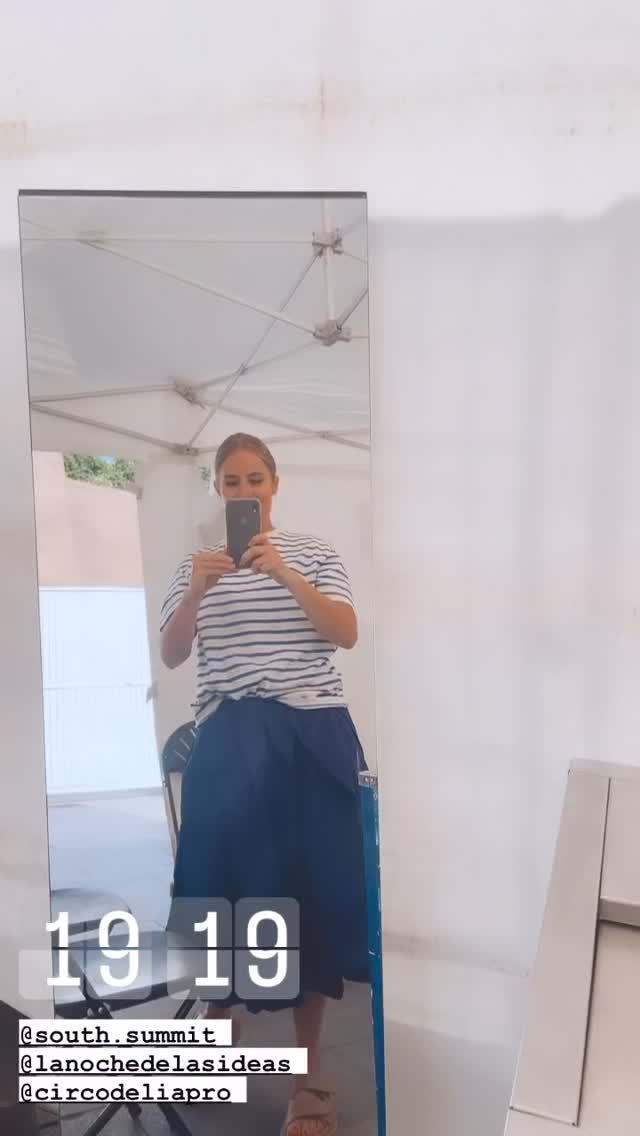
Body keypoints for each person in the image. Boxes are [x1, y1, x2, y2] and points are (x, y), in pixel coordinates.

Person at [160, 433, 370, 1136]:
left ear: (274, 484)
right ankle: (219, 1021)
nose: (244, 491)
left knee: (307, 901)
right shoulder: (197, 564)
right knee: (217, 888)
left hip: (311, 734)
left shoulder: (313, 552)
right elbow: (173, 652)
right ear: (218, 490)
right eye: (231, 482)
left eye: (255, 479)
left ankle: (309, 1078)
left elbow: (345, 632)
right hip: (229, 738)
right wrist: (198, 590)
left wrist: (285, 575)